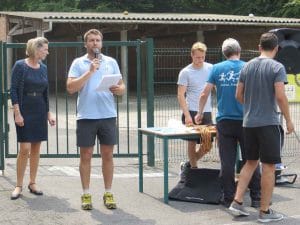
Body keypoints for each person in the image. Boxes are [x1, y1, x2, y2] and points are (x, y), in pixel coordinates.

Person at [229, 33, 294, 223]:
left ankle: (237, 201)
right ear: (276, 49)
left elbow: (238, 95)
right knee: (269, 166)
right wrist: (289, 120)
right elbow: (280, 96)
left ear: (259, 47)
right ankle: (265, 211)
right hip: (268, 123)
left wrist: (250, 106)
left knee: (250, 162)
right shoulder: (277, 67)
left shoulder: (247, 66)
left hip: (248, 123)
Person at [195, 38, 261, 208]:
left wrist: (200, 113)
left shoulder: (216, 68)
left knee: (227, 161)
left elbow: (204, 94)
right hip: (247, 121)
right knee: (251, 160)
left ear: (224, 53)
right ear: (239, 51)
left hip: (225, 121)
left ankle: (228, 198)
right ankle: (256, 197)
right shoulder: (249, 67)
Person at [66, 29, 125, 210]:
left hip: (107, 115)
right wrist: (89, 72)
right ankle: (86, 194)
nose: (95, 43)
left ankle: (108, 192)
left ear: (101, 43)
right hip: (87, 116)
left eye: (98, 40)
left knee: (107, 155)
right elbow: (70, 88)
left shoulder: (111, 62)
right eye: (91, 40)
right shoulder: (78, 63)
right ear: (86, 44)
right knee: (86, 156)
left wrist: (119, 89)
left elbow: (122, 87)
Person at [10, 37, 56, 200]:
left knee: (36, 148)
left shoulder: (43, 67)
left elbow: (46, 92)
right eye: (45, 49)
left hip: (39, 109)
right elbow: (13, 90)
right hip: (24, 108)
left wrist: (48, 113)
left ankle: (32, 182)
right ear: (36, 49)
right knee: (24, 149)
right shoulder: (20, 66)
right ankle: (18, 185)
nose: (47, 51)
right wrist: (17, 112)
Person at [177, 41, 213, 182]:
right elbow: (180, 95)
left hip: (207, 111)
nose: (200, 60)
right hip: (191, 110)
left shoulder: (211, 68)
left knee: (207, 144)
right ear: (192, 55)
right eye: (198, 57)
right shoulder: (185, 72)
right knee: (191, 142)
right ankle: (193, 169)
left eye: (202, 57)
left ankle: (188, 164)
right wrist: (187, 115)